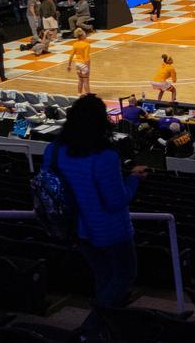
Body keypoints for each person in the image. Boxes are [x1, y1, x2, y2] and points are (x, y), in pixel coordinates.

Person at [42, 95, 146, 339]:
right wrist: (133, 179)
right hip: (109, 229)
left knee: (104, 276)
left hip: (75, 227)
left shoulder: (54, 150)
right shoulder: (105, 156)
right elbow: (115, 201)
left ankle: (104, 329)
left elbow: (48, 185)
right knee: (124, 276)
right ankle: (90, 329)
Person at [67, 29, 92, 95]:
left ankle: (79, 95)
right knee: (86, 81)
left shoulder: (75, 44)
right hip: (84, 64)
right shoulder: (87, 45)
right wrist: (88, 68)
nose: (85, 35)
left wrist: (69, 65)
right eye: (84, 34)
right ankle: (88, 97)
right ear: (82, 36)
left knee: (80, 80)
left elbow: (71, 56)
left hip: (77, 64)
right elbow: (87, 58)